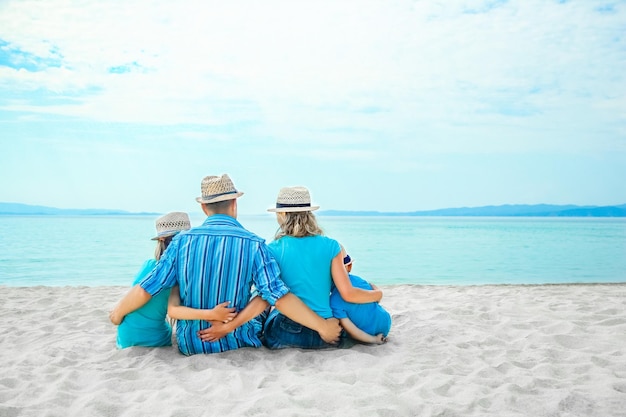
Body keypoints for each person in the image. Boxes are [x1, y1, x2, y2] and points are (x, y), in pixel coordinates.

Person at [109, 174, 341, 355]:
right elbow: (277, 296)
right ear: (234, 203)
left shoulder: (181, 242)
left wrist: (117, 313)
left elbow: (147, 288)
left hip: (191, 343)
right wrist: (322, 326)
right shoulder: (254, 244)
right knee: (264, 299)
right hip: (236, 341)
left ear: (203, 207)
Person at [262, 186, 383, 349]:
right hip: (325, 334)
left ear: (283, 215)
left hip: (287, 331)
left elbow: (271, 296)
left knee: (270, 311)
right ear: (309, 214)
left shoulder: (273, 249)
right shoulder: (332, 246)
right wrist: (377, 294)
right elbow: (348, 294)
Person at [116, 212, 192, 348]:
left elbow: (136, 295)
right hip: (154, 338)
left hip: (126, 334)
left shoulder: (149, 266)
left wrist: (117, 314)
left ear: (161, 241)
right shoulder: (183, 274)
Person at [330, 246, 391, 345]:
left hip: (367, 332)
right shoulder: (359, 280)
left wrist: (374, 339)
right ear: (349, 266)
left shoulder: (333, 302)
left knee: (341, 325)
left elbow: (353, 331)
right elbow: (375, 300)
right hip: (386, 322)